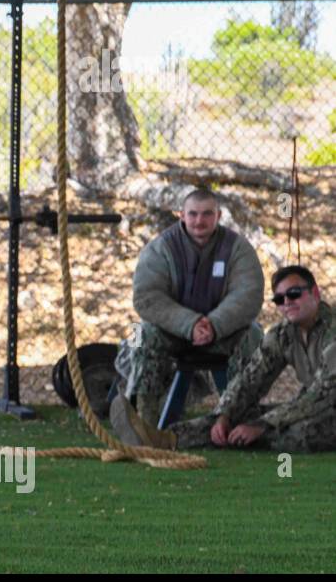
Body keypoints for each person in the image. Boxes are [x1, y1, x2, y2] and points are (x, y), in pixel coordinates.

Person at [113, 266, 336, 453]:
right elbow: (251, 379)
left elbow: (322, 394)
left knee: (299, 432)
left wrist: (262, 425)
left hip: (325, 407)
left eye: (295, 294)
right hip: (316, 407)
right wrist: (226, 414)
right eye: (279, 298)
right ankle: (161, 440)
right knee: (240, 419)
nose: (287, 302)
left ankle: (240, 439)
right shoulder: (282, 334)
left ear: (314, 293)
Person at [123, 188, 264, 426]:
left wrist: (214, 324)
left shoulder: (237, 248)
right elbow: (146, 297)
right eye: (193, 214)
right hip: (174, 333)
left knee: (254, 334)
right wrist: (190, 324)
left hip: (223, 332)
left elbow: (248, 294)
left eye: (207, 214)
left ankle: (241, 416)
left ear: (218, 216)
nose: (200, 221)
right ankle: (144, 419)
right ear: (182, 215)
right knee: (141, 334)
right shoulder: (161, 248)